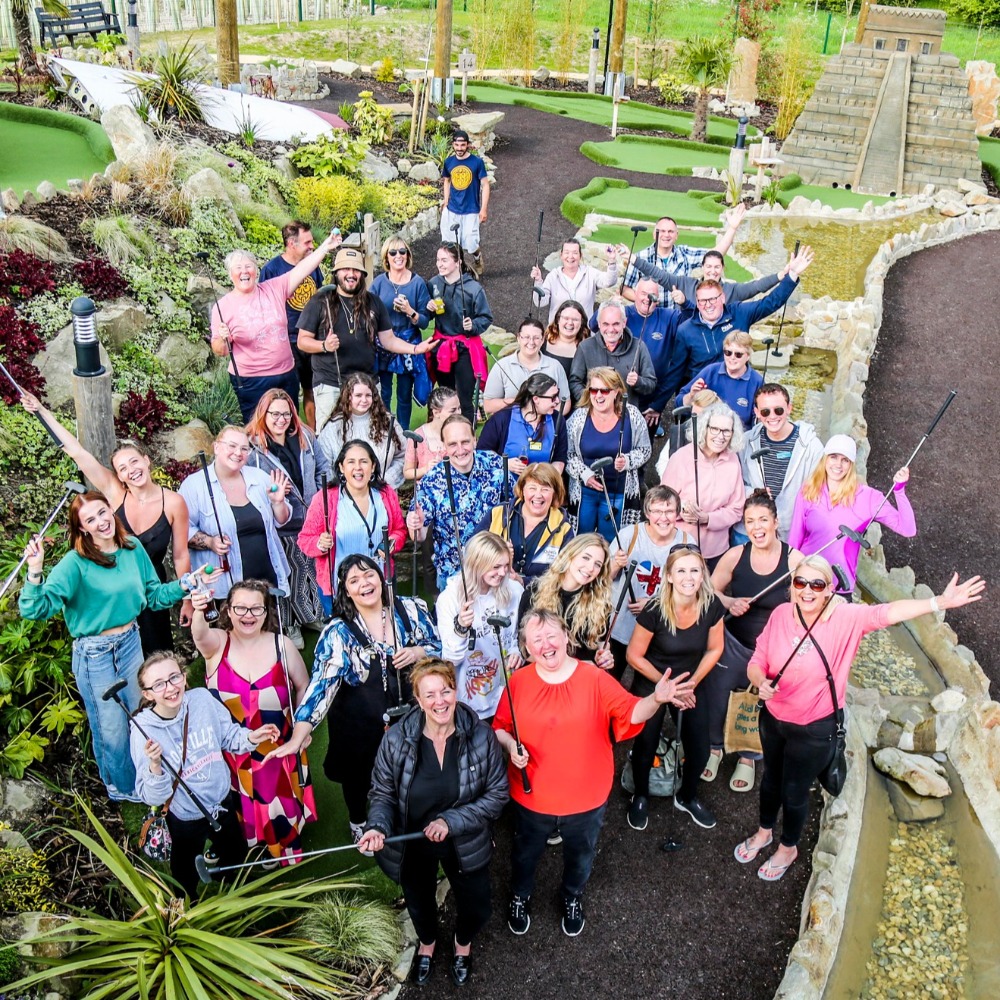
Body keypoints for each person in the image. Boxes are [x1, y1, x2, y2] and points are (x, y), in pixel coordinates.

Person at [735, 556, 984, 881]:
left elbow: (887, 612)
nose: (807, 590)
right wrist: (760, 680)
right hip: (774, 718)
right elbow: (758, 659)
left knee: (794, 790)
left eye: (817, 584)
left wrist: (938, 602)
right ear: (792, 585)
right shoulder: (781, 614)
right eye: (800, 582)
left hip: (814, 727)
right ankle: (764, 831)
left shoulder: (845, 619)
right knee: (770, 779)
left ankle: (787, 847)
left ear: (829, 589)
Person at [496, 610, 695, 937]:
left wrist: (656, 698)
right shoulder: (517, 682)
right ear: (527, 648)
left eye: (552, 635)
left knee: (580, 856)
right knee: (525, 853)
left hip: (586, 798)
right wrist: (509, 745)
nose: (546, 645)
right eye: (537, 640)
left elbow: (632, 711)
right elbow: (501, 727)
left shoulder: (594, 678)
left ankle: (572, 896)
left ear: (566, 637)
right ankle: (520, 894)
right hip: (532, 797)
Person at [19, 493, 199, 801]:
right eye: (90, 520)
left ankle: (145, 774)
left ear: (111, 511)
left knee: (139, 715)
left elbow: (153, 596)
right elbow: (36, 609)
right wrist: (35, 570)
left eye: (103, 512)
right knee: (111, 727)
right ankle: (122, 788)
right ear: (82, 528)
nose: (101, 522)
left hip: (130, 642)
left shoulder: (132, 548)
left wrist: (184, 585)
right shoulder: (75, 563)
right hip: (96, 654)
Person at [267, 555, 440, 844]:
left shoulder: (410, 609)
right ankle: (358, 820)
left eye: (369, 574)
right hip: (357, 724)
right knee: (358, 778)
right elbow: (320, 687)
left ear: (381, 577)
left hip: (409, 715)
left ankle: (407, 813)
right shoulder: (338, 633)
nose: (364, 584)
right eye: (354, 580)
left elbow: (440, 646)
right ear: (346, 591)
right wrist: (299, 735)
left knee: (411, 768)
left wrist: (417, 652)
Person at [359, 657, 508, 988]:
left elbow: (498, 794)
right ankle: (427, 943)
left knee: (478, 905)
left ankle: (462, 943)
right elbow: (382, 793)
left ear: (456, 691)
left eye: (446, 691)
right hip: (412, 841)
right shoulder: (396, 740)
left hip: (464, 839)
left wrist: (450, 821)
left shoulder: (482, 736)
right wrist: (377, 826)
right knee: (418, 901)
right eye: (430, 694)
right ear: (418, 698)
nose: (440, 701)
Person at [20, 391, 190, 654]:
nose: (131, 470)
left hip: (149, 587)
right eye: (123, 468)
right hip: (110, 588)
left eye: (134, 461)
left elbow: (180, 556)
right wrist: (41, 411)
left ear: (146, 460)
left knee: (156, 655)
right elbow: (76, 452)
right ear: (118, 476)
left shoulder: (174, 502)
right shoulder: (114, 494)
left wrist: (188, 598)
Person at [130, 651, 278, 897]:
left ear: (184, 676)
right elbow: (152, 796)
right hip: (186, 816)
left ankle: (230, 881)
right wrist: (154, 765)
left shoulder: (202, 700)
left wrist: (251, 737)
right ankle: (186, 901)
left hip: (221, 800)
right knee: (184, 868)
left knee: (235, 851)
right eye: (158, 684)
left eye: (174, 677)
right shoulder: (142, 731)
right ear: (147, 694)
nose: (170, 688)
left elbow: (229, 736)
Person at [191, 581, 315, 862]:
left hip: (277, 747)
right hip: (232, 752)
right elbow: (199, 634)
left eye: (256, 608)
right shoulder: (217, 644)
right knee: (236, 800)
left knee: (276, 799)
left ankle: (280, 845)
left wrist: (302, 725)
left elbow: (303, 685)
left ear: (266, 611)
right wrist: (198, 610)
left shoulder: (281, 644)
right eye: (240, 608)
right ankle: (245, 843)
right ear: (228, 611)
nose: (248, 615)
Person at [704, 490, 801, 792]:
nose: (756, 527)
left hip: (772, 651)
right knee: (718, 696)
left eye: (763, 520)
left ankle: (748, 756)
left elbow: (808, 603)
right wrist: (729, 602)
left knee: (758, 702)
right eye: (750, 521)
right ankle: (715, 747)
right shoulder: (736, 555)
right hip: (734, 641)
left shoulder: (795, 560)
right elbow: (709, 592)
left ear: (775, 522)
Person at [625, 545, 725, 833]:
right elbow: (634, 656)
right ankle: (640, 795)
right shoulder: (654, 610)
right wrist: (667, 687)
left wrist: (690, 684)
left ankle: (687, 796)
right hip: (653, 680)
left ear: (703, 574)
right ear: (669, 576)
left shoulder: (711, 605)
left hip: (690, 682)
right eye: (681, 571)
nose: (688, 577)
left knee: (701, 748)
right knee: (645, 745)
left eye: (694, 570)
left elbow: (715, 648)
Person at [296, 246, 437, 432]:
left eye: (355, 270)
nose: (351, 274)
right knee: (330, 438)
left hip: (367, 383)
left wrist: (416, 349)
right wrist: (324, 345)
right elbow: (302, 341)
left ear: (362, 275)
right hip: (331, 383)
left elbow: (388, 340)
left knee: (371, 435)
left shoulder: (373, 302)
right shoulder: (320, 302)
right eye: (346, 269)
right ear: (336, 273)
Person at [211, 235, 340, 422]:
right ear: (230, 275)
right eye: (238, 268)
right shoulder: (223, 306)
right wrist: (223, 339)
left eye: (248, 266)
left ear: (256, 271)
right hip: (251, 380)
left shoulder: (274, 288)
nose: (244, 271)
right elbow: (220, 350)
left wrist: (325, 247)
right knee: (258, 428)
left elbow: (303, 269)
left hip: (286, 374)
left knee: (288, 424)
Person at [246, 388, 328, 641]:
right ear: (263, 414)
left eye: (286, 414)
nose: (281, 420)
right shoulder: (252, 449)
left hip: (310, 518)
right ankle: (289, 624)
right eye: (275, 414)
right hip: (278, 524)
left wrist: (318, 499)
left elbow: (323, 468)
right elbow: (247, 485)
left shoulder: (305, 436)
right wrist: (273, 494)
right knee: (285, 574)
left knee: (309, 570)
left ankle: (311, 616)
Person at [788, 434, 916, 593]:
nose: (838, 464)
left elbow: (907, 529)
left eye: (845, 460)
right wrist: (792, 575)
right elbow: (795, 539)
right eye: (833, 457)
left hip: (839, 588)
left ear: (851, 464)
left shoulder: (869, 497)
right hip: (805, 582)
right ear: (825, 459)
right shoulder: (808, 490)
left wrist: (899, 491)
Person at [673, 245, 814, 385]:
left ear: (722, 298)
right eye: (703, 300)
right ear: (697, 302)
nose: (708, 305)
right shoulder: (686, 330)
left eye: (713, 299)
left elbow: (770, 302)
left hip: (736, 386)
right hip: (702, 391)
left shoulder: (739, 313)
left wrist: (792, 275)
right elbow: (676, 373)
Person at [178, 426, 292, 595]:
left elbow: (282, 520)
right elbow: (182, 532)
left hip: (268, 580)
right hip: (223, 588)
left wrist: (278, 502)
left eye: (244, 449)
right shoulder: (194, 486)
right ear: (216, 447)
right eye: (232, 446)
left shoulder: (259, 477)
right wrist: (210, 542)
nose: (238, 453)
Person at [297, 440, 407, 614]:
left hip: (379, 580)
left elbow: (399, 530)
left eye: (364, 461)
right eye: (351, 462)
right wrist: (320, 543)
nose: (358, 468)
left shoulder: (386, 494)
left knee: (384, 625)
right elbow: (304, 539)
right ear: (341, 467)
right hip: (340, 586)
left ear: (373, 466)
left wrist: (391, 542)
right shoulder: (326, 498)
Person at [407, 416, 507, 590]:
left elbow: (516, 503)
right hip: (454, 575)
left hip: (495, 569)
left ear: (475, 440)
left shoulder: (494, 463)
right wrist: (416, 524)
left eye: (465, 442)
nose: (460, 450)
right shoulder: (432, 480)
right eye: (453, 444)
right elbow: (418, 536)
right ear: (444, 446)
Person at [607, 486, 695, 681]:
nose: (663, 518)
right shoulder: (629, 535)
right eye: (657, 511)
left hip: (660, 630)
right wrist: (615, 564)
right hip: (620, 626)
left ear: (677, 513)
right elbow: (605, 579)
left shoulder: (687, 542)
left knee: (647, 686)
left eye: (669, 511)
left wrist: (653, 605)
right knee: (611, 680)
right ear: (647, 513)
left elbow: (692, 590)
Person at [437, 532, 524, 719]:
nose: (503, 573)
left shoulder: (515, 591)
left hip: (506, 694)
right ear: (477, 564)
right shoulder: (449, 599)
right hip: (468, 699)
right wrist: (461, 627)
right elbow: (450, 659)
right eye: (496, 567)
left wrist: (516, 651)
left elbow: (519, 635)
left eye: (506, 565)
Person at [566, 367, 651, 542]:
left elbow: (645, 450)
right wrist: (584, 474)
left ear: (616, 391)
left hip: (618, 492)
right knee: (581, 541)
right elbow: (567, 454)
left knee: (613, 542)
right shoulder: (578, 417)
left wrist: (627, 460)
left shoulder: (632, 415)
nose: (598, 395)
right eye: (594, 390)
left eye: (604, 390)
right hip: (584, 491)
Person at [259, 220, 331, 427]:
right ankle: (291, 433)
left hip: (312, 339)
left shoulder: (312, 265)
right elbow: (264, 307)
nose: (311, 246)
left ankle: (314, 434)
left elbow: (320, 296)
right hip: (287, 341)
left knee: (312, 389)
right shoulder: (272, 269)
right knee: (287, 395)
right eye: (307, 242)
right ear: (292, 243)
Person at [660, 401, 746, 566]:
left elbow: (736, 509)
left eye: (726, 431)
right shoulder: (681, 457)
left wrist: (708, 518)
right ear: (704, 428)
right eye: (715, 429)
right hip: (681, 548)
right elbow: (662, 501)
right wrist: (682, 509)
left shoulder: (733, 460)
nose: (720, 436)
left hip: (717, 551)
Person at [741, 383, 824, 540]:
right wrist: (753, 492)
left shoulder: (812, 447)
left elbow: (818, 493)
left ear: (789, 408)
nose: (772, 416)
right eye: (765, 411)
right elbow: (734, 485)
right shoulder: (745, 443)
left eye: (778, 410)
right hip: (751, 531)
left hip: (791, 532)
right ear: (756, 412)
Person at [518, 533, 614, 668]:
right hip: (543, 672)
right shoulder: (534, 592)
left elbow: (601, 643)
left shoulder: (600, 603)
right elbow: (524, 649)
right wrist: (569, 666)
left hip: (582, 676)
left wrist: (603, 655)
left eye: (598, 564)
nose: (590, 568)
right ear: (570, 554)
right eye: (586, 558)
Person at [370, 235, 433, 431]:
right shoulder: (379, 283)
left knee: (404, 394)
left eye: (402, 251)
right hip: (383, 345)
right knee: (384, 393)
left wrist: (409, 311)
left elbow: (425, 322)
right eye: (393, 252)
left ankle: (403, 432)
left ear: (408, 255)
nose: (398, 256)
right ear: (386, 257)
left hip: (408, 343)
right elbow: (368, 311)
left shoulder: (418, 283)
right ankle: (384, 431)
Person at [621, 207, 746, 304]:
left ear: (677, 235)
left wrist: (732, 228)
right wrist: (643, 299)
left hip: (679, 316)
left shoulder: (684, 254)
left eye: (671, 231)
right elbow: (624, 289)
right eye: (662, 231)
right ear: (654, 234)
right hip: (651, 315)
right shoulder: (640, 257)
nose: (666, 235)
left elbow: (716, 254)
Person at [426, 243, 494, 423]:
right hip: (442, 346)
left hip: (465, 347)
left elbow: (486, 317)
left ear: (457, 262)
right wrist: (429, 308)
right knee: (446, 396)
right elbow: (426, 316)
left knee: (464, 397)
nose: (439, 264)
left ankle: (468, 433)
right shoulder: (433, 284)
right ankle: (446, 432)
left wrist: (473, 324)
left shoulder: (473, 288)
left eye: (444, 260)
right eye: (438, 260)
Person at [476, 463, 574, 584]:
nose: (538, 495)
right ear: (522, 490)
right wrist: (495, 551)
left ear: (555, 493)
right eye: (532, 488)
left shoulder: (564, 529)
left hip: (539, 593)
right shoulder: (499, 513)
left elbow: (565, 575)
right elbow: (471, 550)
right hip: (495, 589)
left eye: (545, 489)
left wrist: (523, 581)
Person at [317, 372, 405, 489]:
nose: (364, 400)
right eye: (358, 395)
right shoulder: (333, 427)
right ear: (348, 396)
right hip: (344, 494)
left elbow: (404, 455)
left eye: (368, 395)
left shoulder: (387, 421)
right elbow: (323, 465)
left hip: (382, 491)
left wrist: (386, 480)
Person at [628, 247, 781, 309]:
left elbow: (756, 286)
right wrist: (634, 259)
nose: (712, 271)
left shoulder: (731, 290)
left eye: (717, 267)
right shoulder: (685, 284)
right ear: (702, 267)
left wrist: (780, 276)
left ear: (722, 268)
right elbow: (660, 275)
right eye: (708, 266)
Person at [477, 373, 568, 474]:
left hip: (542, 482)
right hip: (507, 482)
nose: (557, 401)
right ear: (536, 399)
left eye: (557, 395)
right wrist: (504, 463)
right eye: (553, 397)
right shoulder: (502, 419)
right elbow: (481, 453)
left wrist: (548, 478)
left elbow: (559, 458)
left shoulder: (557, 420)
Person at [569, 299, 655, 404]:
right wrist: (591, 403)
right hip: (593, 411)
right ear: (599, 324)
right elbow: (574, 381)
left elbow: (651, 384)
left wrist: (638, 382)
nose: (611, 329)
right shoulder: (585, 347)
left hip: (626, 412)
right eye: (606, 324)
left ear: (624, 323)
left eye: (616, 324)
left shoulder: (639, 347)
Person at [483, 318, 570, 416]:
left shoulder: (555, 366)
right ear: (518, 338)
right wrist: (516, 402)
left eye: (536, 338)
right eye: (526, 337)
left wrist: (544, 417)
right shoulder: (502, 366)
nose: (531, 342)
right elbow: (488, 405)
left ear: (542, 340)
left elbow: (565, 403)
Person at [679, 330, 762, 430]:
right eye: (728, 353)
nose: (732, 357)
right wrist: (691, 396)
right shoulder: (710, 371)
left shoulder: (756, 381)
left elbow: (759, 421)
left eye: (738, 354)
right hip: (707, 433)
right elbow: (679, 402)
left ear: (748, 356)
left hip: (741, 436)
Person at [530, 239, 620, 324]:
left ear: (580, 256)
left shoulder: (589, 273)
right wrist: (538, 281)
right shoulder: (553, 276)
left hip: (584, 331)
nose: (570, 256)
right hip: (558, 332)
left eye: (575, 253)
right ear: (561, 255)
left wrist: (612, 260)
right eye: (567, 252)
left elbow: (609, 281)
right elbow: (540, 302)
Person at [440, 129, 490, 277]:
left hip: (471, 210)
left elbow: (485, 185)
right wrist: (446, 200)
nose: (459, 148)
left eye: (462, 145)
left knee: (471, 242)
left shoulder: (477, 162)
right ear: (453, 145)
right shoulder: (449, 162)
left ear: (467, 144)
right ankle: (457, 269)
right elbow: (447, 181)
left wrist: (483, 209)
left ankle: (477, 258)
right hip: (452, 209)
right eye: (457, 145)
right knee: (451, 243)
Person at [403, 386, 462, 483]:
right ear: (436, 413)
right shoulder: (419, 437)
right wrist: (425, 469)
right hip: (428, 489)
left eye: (459, 408)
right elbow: (407, 472)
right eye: (453, 410)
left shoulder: (462, 432)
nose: (459, 413)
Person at [541, 300, 590, 384]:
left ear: (582, 323)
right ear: (558, 319)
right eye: (566, 318)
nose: (570, 323)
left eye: (575, 319)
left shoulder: (588, 347)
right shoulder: (541, 342)